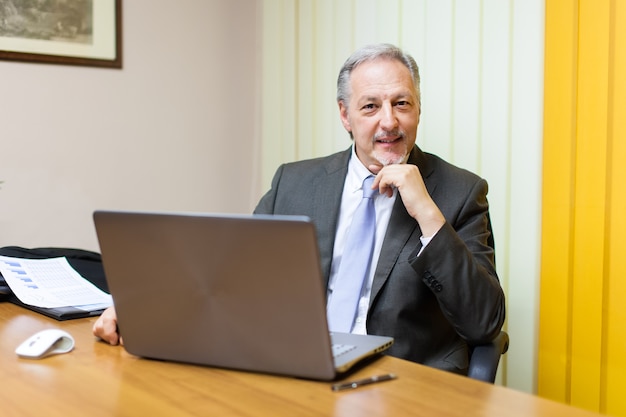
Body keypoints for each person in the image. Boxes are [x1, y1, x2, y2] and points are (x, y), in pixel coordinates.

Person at [93, 43, 505, 375]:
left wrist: (427, 216)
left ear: (418, 109)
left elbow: (484, 323)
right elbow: (223, 269)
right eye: (370, 106)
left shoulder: (459, 192)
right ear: (345, 115)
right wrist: (140, 305)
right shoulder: (295, 182)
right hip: (295, 367)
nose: (389, 122)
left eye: (402, 103)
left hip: (401, 377)